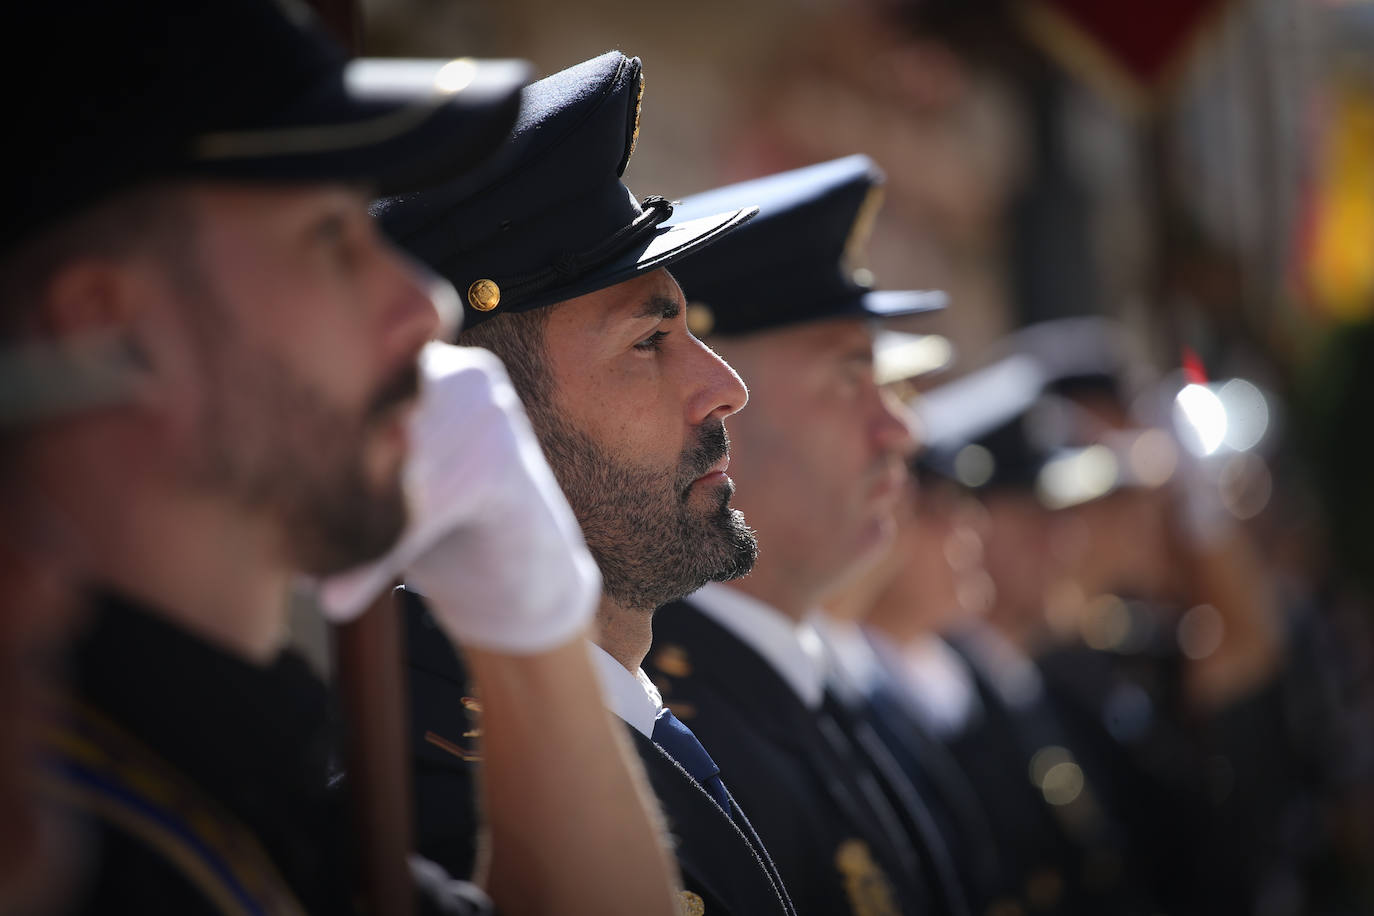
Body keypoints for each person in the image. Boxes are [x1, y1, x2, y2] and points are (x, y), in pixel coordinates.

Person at [2, 3, 683, 914]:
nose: (425, 308)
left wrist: (531, 632)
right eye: (330, 239)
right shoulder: (66, 845)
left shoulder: (226, 785)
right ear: (107, 324)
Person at [377, 50, 796, 916]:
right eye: (648, 342)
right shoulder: (425, 797)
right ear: (489, 415)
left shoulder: (636, 713)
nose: (726, 386)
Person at [640, 154, 964, 916]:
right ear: (724, 421)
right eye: (851, 379)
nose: (902, 429)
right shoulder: (682, 734)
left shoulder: (815, 687)